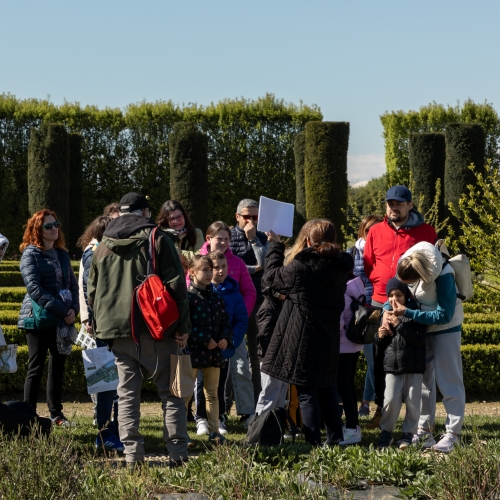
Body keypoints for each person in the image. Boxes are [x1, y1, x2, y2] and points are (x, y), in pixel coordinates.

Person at [87, 192, 191, 468]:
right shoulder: (156, 237)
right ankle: (178, 454)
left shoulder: (102, 245)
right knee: (171, 393)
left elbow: (92, 290)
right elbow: (176, 284)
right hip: (154, 327)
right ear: (145, 213)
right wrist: (183, 326)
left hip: (116, 332)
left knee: (127, 395)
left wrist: (100, 327)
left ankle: (133, 456)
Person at [260, 220, 353, 446]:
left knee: (307, 392)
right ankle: (335, 440)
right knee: (328, 390)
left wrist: (274, 246)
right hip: (330, 336)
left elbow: (270, 278)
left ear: (308, 240)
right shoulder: (342, 266)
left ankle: (313, 443)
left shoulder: (303, 265)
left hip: (302, 337)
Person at [363, 186, 437, 429]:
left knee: (415, 358)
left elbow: (433, 266)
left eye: (399, 203)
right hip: (378, 302)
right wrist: (379, 286)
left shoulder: (426, 232)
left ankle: (415, 418)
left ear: (410, 205)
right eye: (390, 203)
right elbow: (369, 264)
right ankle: (381, 410)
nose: (393, 207)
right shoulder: (375, 231)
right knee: (378, 358)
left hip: (411, 304)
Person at [390, 241, 465, 453]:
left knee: (449, 379)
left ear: (422, 275)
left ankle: (453, 434)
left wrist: (409, 313)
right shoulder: (409, 261)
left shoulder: (444, 276)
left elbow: (444, 315)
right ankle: (424, 431)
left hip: (446, 329)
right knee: (424, 382)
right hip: (423, 330)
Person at [17, 210, 79, 426]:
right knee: (36, 367)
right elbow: (34, 288)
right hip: (37, 319)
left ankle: (56, 414)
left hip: (62, 318)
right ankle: (28, 415)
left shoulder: (62, 254)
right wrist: (63, 310)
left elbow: (72, 283)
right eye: (49, 226)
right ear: (38, 230)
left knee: (58, 366)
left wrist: (74, 310)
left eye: (56, 224)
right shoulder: (30, 254)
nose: (55, 228)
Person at [198, 221, 256, 427]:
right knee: (202, 376)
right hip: (204, 333)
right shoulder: (198, 260)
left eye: (226, 238)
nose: (222, 242)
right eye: (218, 238)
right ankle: (201, 417)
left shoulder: (237, 263)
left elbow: (249, 292)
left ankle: (246, 412)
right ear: (209, 239)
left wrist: (237, 323)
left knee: (240, 369)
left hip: (231, 331)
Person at [254, 221, 314, 416]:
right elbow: (269, 282)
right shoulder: (271, 307)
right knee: (270, 387)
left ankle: (276, 428)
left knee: (281, 390)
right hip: (272, 334)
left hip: (286, 337)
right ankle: (261, 429)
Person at [78, 215, 123, 452]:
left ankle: (114, 430)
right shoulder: (94, 254)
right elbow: (93, 293)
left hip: (108, 325)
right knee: (106, 385)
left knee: (115, 384)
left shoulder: (101, 252)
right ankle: (105, 434)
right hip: (104, 328)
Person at [194, 250, 248, 436]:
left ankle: (218, 420)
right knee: (198, 387)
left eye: (223, 266)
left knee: (218, 388)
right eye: (214, 268)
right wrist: (204, 339)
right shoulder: (195, 294)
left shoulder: (231, 294)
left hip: (221, 351)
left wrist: (228, 339)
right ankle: (200, 418)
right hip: (198, 351)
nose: (218, 271)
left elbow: (236, 320)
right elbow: (189, 323)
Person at [185, 255, 233, 444]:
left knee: (213, 394)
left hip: (214, 355)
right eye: (204, 270)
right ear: (192, 272)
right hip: (194, 353)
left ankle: (215, 433)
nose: (208, 273)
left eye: (209, 269)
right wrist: (205, 339)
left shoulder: (216, 297)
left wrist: (224, 339)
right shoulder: (188, 297)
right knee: (186, 395)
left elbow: (225, 323)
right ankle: (181, 434)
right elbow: (185, 326)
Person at [376, 278, 426, 450]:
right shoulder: (384, 314)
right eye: (391, 296)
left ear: (406, 296)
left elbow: (419, 339)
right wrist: (380, 336)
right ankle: (386, 432)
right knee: (390, 400)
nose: (394, 299)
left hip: (413, 365)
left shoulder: (414, 313)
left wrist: (398, 324)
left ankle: (408, 433)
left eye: (398, 295)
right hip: (392, 366)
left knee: (413, 402)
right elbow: (380, 345)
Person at [229, 199, 268, 402]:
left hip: (259, 302)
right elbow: (228, 267)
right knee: (229, 354)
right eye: (247, 217)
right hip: (233, 303)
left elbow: (267, 265)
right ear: (237, 217)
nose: (251, 221)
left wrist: (254, 240)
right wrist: (253, 268)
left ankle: (255, 402)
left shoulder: (261, 237)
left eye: (255, 217)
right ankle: (225, 406)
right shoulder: (229, 236)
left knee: (256, 355)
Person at [351, 215, 383, 417]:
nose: (373, 233)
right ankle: (373, 404)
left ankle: (368, 403)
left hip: (379, 309)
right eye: (369, 229)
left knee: (375, 361)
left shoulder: (383, 252)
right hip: (359, 312)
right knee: (369, 361)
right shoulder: (352, 253)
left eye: (377, 229)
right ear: (362, 230)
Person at [337, 274, 365, 445]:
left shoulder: (340, 290)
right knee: (349, 386)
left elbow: (338, 323)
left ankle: (351, 427)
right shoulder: (357, 285)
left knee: (342, 387)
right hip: (354, 343)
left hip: (341, 346)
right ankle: (353, 425)